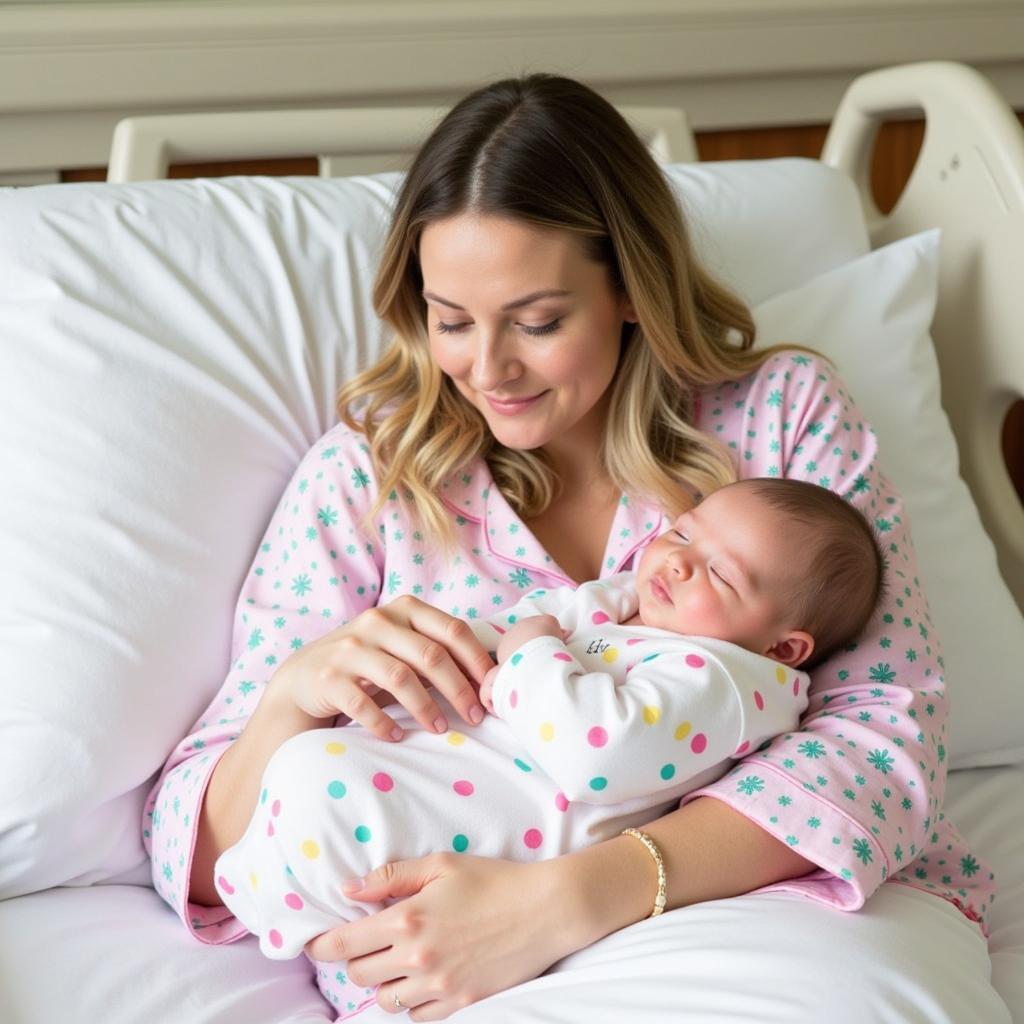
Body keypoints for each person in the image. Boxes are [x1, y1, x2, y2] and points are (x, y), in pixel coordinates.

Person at [142, 72, 999, 1022]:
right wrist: (288, 705)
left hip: (767, 911)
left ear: (631, 289)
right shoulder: (369, 481)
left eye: (538, 322)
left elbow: (882, 742)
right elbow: (204, 856)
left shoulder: (780, 417)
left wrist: (577, 897)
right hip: (445, 968)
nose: (488, 368)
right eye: (451, 320)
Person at [209, 477, 884, 990]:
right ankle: (284, 890)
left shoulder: (724, 683)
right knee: (309, 771)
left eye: (720, 573)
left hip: (523, 819)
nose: (677, 563)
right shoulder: (639, 614)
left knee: (324, 789)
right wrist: (457, 652)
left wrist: (530, 652)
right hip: (454, 782)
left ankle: (296, 896)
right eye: (682, 534)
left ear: (785, 649)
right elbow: (537, 621)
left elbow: (597, 751)